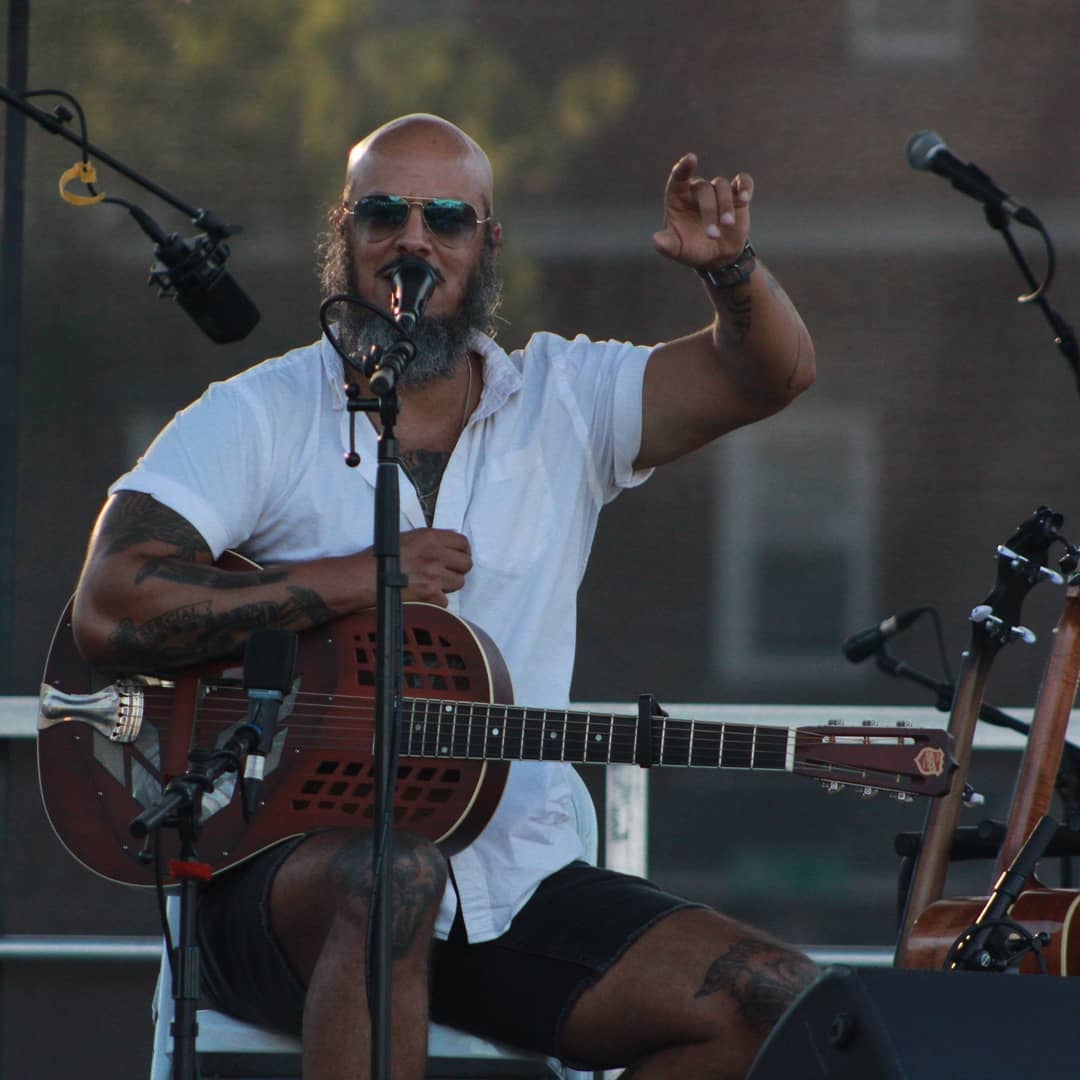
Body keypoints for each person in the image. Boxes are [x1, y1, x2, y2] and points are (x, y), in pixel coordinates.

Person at [72, 113, 819, 1079]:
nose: (414, 239)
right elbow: (110, 605)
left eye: (447, 219)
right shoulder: (259, 414)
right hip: (273, 879)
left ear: (485, 244)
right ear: (346, 234)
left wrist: (730, 271)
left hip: (509, 890)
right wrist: (361, 579)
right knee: (391, 876)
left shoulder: (567, 400)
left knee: (771, 1002)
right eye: (385, 212)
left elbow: (774, 374)